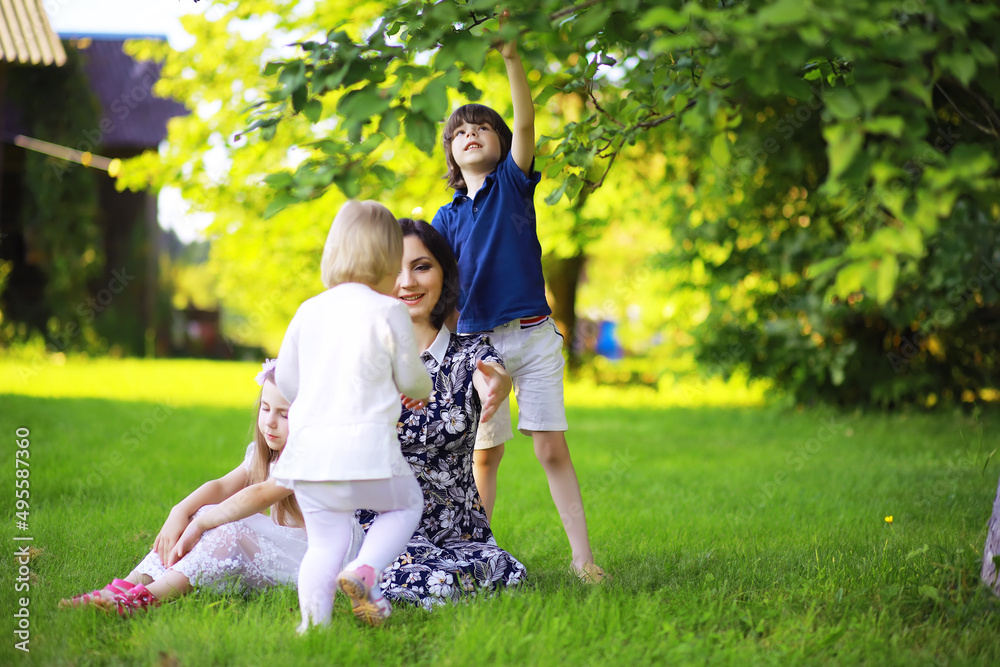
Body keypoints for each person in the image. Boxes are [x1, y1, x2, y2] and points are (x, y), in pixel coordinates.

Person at [430, 23, 606, 583]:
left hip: (532, 338)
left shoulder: (512, 183)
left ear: (504, 145)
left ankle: (583, 560)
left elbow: (526, 119)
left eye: (484, 127)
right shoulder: (445, 217)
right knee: (482, 457)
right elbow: (432, 285)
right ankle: (474, 556)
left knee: (550, 448)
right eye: (461, 132)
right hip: (477, 348)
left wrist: (512, 57)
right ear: (452, 155)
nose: (473, 133)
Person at [58, 360, 356, 614]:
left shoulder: (314, 457)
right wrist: (182, 511)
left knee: (228, 526)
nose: (270, 422)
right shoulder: (266, 453)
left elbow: (259, 494)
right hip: (289, 548)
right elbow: (223, 485)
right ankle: (124, 586)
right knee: (205, 512)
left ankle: (141, 600)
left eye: (284, 414)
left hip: (319, 561)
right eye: (265, 408)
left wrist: (200, 523)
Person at [272, 200, 432, 630]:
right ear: (389, 259)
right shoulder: (389, 311)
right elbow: (414, 381)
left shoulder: (309, 310)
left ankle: (314, 630)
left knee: (322, 545)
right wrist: (417, 389)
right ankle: (366, 569)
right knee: (404, 506)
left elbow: (287, 381)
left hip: (310, 456)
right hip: (368, 453)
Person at [358, 218, 526, 609]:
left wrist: (497, 386)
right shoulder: (366, 358)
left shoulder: (470, 352)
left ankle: (402, 584)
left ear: (444, 274)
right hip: (382, 522)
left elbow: (491, 376)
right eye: (394, 270)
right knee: (431, 578)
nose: (408, 282)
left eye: (422, 266)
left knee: (510, 573)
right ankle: (382, 579)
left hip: (460, 530)